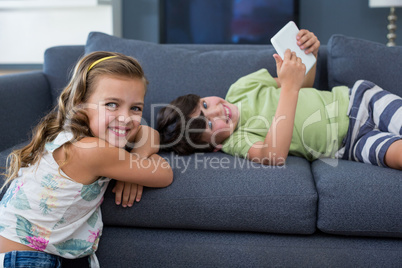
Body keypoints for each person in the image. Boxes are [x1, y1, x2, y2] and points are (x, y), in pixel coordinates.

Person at [0, 51, 173, 267]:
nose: (126, 118)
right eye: (111, 104)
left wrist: (134, 163)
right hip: (26, 259)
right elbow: (165, 174)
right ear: (81, 104)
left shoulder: (72, 133)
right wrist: (135, 165)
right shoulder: (92, 150)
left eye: (135, 108)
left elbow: (149, 134)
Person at [157, 30, 402, 170]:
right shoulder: (236, 141)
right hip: (350, 145)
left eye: (205, 105)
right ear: (215, 147)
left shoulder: (241, 87)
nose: (217, 112)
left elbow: (302, 84)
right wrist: (290, 88)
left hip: (359, 101)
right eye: (209, 125)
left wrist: (310, 57)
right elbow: (273, 155)